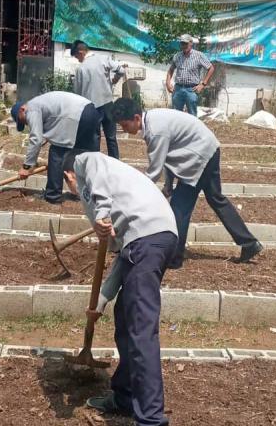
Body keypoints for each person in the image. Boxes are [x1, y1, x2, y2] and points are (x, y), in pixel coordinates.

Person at [62, 149, 178, 426]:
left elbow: (95, 168)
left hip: (147, 239)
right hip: (151, 241)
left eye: (71, 187)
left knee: (141, 333)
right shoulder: (119, 194)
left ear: (68, 177)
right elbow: (123, 260)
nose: (77, 193)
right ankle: (125, 397)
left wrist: (100, 214)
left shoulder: (86, 162)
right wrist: (100, 302)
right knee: (126, 319)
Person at [111, 98, 263, 268]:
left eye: (125, 125)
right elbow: (168, 156)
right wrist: (168, 185)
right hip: (208, 148)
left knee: (180, 207)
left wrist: (132, 196)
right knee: (216, 199)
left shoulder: (155, 131)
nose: (124, 129)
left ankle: (174, 258)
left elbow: (154, 171)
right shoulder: (153, 122)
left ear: (137, 118)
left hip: (199, 154)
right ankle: (249, 243)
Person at [10, 91, 103, 204]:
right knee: (89, 156)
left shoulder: (31, 108)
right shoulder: (41, 102)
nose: (26, 123)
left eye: (22, 120)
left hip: (76, 115)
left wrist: (26, 167)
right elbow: (51, 123)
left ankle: (53, 196)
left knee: (57, 153)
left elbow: (36, 139)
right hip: (92, 112)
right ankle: (97, 194)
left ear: (22, 110)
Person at [71, 39, 126, 159]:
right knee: (111, 138)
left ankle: (95, 164)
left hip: (92, 108)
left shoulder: (81, 69)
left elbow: (77, 94)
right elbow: (121, 70)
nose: (78, 60)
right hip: (108, 104)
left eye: (76, 57)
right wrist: (115, 79)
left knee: (95, 139)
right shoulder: (103, 59)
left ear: (81, 52)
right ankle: (115, 163)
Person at [165, 34, 215, 116]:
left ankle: (191, 129)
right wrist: (168, 83)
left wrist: (203, 84)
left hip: (191, 90)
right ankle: (178, 129)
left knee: (192, 115)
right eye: (182, 43)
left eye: (186, 43)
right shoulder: (177, 56)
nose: (184, 46)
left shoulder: (199, 55)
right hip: (178, 89)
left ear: (191, 43)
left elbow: (211, 68)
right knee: (175, 115)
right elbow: (170, 70)